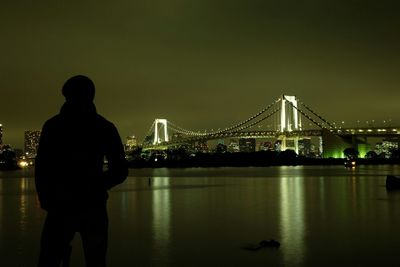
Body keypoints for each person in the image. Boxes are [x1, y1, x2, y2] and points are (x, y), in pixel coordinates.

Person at [35, 75, 128, 267]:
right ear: (92, 95)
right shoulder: (105, 127)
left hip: (59, 205)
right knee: (96, 261)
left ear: (66, 96)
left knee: (49, 260)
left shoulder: (53, 126)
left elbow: (42, 168)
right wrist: (96, 185)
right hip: (93, 205)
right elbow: (120, 170)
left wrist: (46, 199)